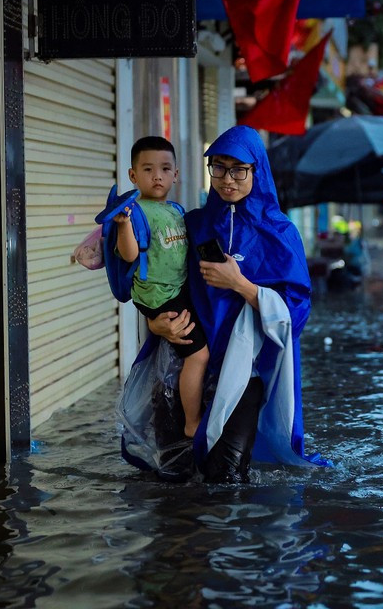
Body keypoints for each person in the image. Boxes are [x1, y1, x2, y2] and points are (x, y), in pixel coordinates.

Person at [130, 125, 328, 483]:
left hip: (244, 372)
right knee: (171, 478)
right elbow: (156, 281)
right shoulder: (191, 224)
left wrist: (241, 285)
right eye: (218, 167)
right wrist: (154, 323)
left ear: (258, 170)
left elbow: (296, 313)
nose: (227, 179)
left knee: (226, 480)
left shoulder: (280, 234)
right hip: (181, 361)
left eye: (239, 169)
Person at [114, 136, 209, 439]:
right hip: (160, 296)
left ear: (176, 174)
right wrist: (123, 225)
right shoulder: (137, 212)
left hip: (177, 290)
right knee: (199, 354)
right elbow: (130, 255)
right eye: (148, 169)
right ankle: (192, 422)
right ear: (133, 175)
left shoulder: (176, 210)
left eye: (165, 169)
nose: (157, 176)